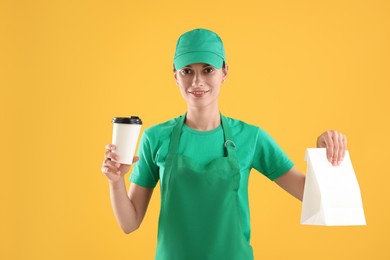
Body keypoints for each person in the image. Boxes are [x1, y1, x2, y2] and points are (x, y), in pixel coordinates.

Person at [101, 28, 347, 260]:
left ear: (224, 72)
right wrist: (115, 181)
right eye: (187, 71)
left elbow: (312, 196)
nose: (197, 81)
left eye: (208, 69)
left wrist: (323, 154)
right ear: (175, 75)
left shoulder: (251, 138)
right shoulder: (155, 138)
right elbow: (129, 223)